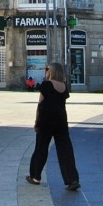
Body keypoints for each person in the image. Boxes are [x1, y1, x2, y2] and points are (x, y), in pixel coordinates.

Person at [26, 62, 80, 191]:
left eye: (47, 69)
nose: (46, 71)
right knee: (65, 150)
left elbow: (40, 105)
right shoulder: (63, 87)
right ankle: (72, 180)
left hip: (46, 121)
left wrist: (36, 122)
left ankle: (35, 176)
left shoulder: (46, 85)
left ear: (52, 71)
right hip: (61, 121)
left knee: (41, 148)